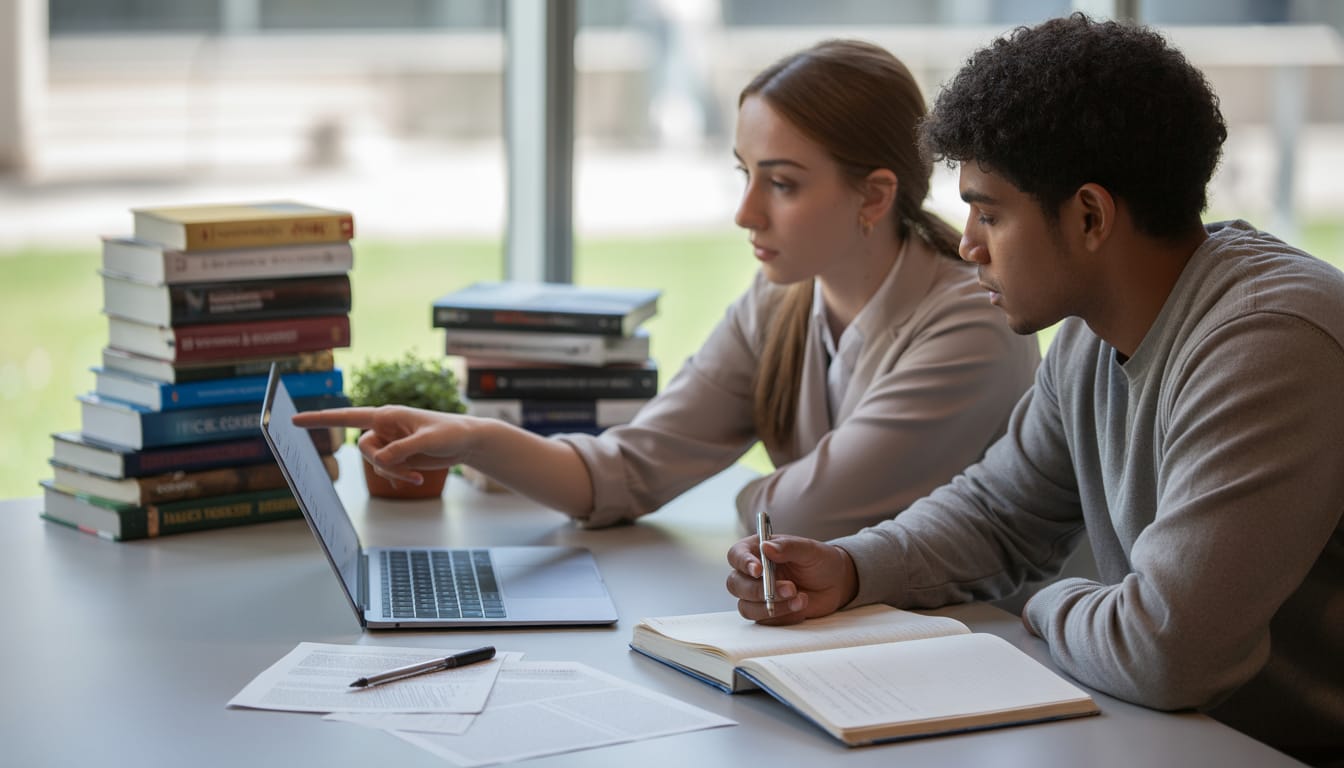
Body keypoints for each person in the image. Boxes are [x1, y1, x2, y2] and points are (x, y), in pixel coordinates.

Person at [724, 15, 1344, 764]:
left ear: (1089, 216)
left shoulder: (1271, 341)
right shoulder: (1091, 327)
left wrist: (1043, 603)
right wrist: (851, 569)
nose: (967, 244)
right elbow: (997, 512)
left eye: (990, 212)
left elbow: (1166, 652)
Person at [294, 39, 1038, 541]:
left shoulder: (972, 327)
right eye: (744, 175)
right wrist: (473, 439)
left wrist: (727, 494)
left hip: (969, 665)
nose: (745, 213)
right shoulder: (779, 303)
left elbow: (800, 516)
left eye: (781, 183)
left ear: (874, 197)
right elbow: (628, 472)